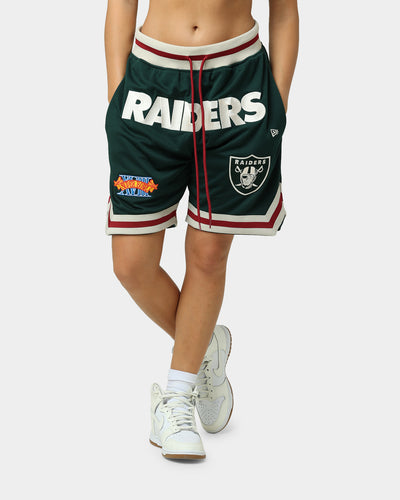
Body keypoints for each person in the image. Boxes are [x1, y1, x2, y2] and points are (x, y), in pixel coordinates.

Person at [104, 0, 299, 460]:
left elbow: (285, 10)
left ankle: (177, 396)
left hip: (237, 86)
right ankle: (204, 343)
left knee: (208, 255)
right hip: (151, 85)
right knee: (131, 265)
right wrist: (116, 96)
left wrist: (278, 104)